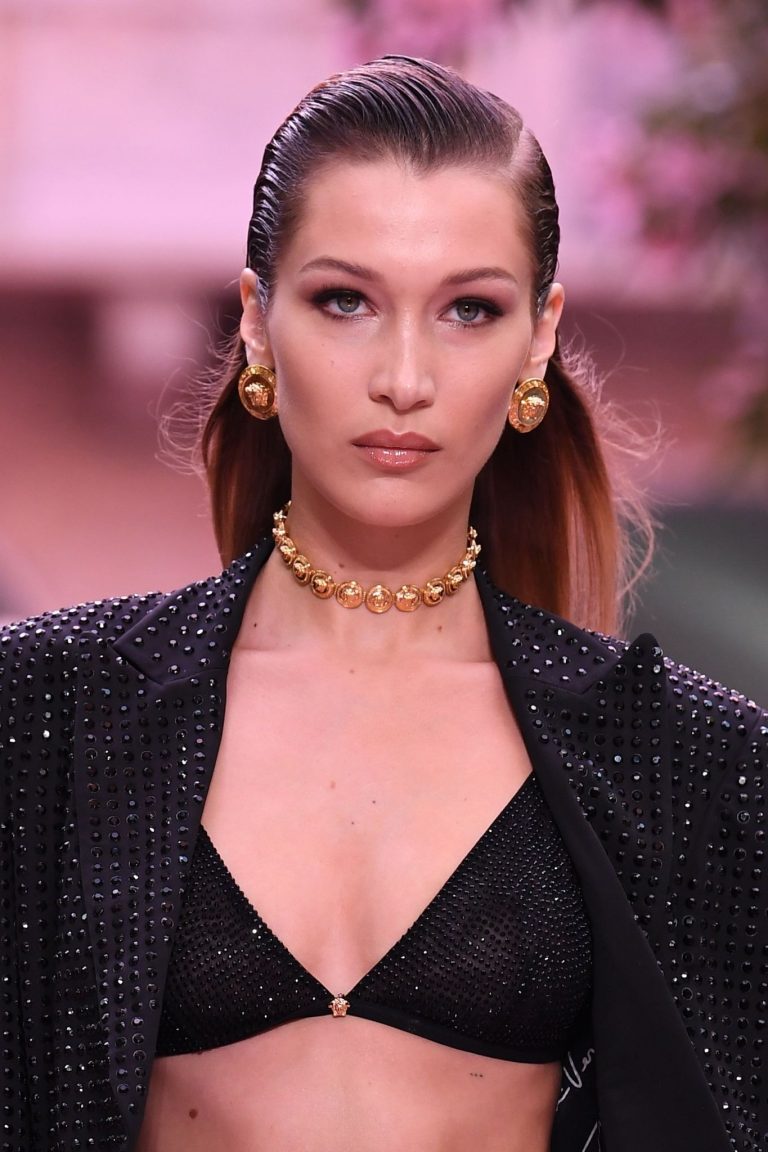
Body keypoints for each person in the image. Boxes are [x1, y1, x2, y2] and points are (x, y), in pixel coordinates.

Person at [1, 55, 765, 1152]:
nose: (404, 378)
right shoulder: (47, 711)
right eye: (345, 301)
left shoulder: (687, 763)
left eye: (469, 309)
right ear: (257, 322)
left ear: (539, 336)